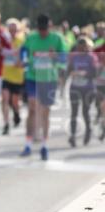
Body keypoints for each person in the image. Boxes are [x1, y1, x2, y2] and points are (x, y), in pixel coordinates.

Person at [20, 14, 67, 160]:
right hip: (33, 78)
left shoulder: (57, 38)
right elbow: (23, 50)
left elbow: (65, 57)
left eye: (45, 29)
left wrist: (56, 56)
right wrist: (24, 60)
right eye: (40, 29)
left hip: (48, 79)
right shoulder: (32, 38)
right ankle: (28, 144)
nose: (42, 32)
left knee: (45, 112)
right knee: (32, 108)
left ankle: (44, 146)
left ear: (50, 27)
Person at [65, 36, 99, 147]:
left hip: (88, 89)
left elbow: (95, 73)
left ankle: (88, 131)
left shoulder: (91, 58)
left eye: (83, 47)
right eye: (79, 47)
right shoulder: (74, 57)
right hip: (75, 87)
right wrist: (71, 73)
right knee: (74, 112)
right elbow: (68, 70)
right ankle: (72, 136)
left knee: (85, 112)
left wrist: (85, 73)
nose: (81, 49)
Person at [1, 18, 26, 132]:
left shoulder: (22, 41)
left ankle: (16, 114)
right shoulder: (4, 40)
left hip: (17, 75)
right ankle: (6, 124)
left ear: (18, 30)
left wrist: (21, 63)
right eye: (10, 29)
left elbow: (25, 56)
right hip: (6, 74)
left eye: (14, 29)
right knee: (5, 99)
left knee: (15, 101)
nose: (12, 32)